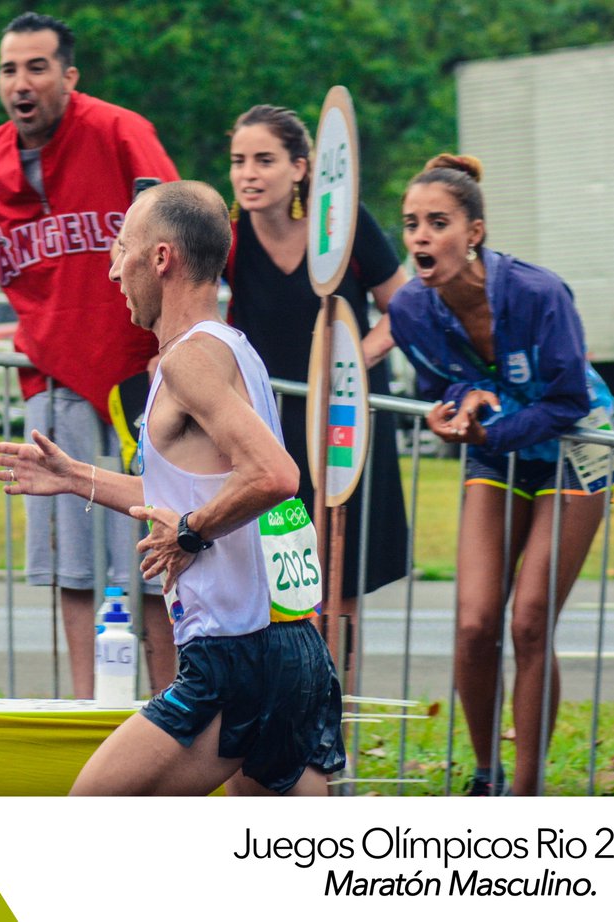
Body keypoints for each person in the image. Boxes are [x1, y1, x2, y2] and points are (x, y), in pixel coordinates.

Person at [0, 181, 344, 795]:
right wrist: (75, 477)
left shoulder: (188, 359)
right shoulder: (233, 349)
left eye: (122, 248)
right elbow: (200, 487)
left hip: (234, 655)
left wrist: (188, 534)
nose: (112, 269)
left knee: (90, 810)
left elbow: (274, 476)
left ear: (161, 258)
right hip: (293, 648)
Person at [0, 12, 180, 699]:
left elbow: (175, 232)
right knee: (72, 562)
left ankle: (173, 708)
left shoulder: (121, 133)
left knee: (156, 549)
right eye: (9, 70)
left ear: (69, 76)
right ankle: (85, 706)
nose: (21, 83)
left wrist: (174, 341)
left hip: (142, 379)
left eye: (37, 67)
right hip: (55, 380)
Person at [388, 154, 614, 796]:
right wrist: (451, 412)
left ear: (474, 233)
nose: (420, 237)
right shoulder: (410, 309)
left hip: (576, 445)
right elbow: (438, 386)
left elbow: (571, 399)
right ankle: (486, 777)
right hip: (498, 450)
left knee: (529, 619)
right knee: (474, 623)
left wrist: (491, 427)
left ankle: (526, 791)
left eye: (437, 222)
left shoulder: (539, 293)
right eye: (411, 224)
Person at [226, 104, 410, 670]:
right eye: (237, 161)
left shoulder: (346, 224)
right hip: (269, 437)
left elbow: (403, 307)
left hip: (344, 425)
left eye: (265, 160)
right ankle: (276, 730)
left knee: (339, 584)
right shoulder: (230, 241)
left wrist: (350, 363)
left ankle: (333, 724)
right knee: (273, 586)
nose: (248, 174)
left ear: (301, 168)